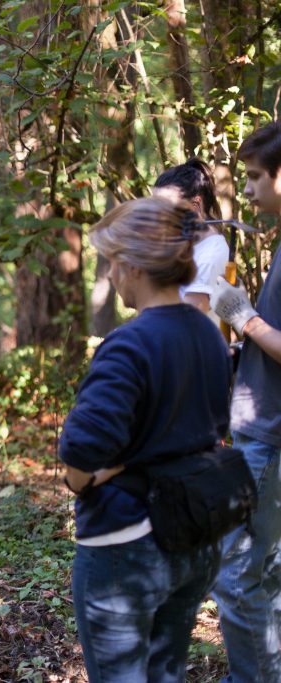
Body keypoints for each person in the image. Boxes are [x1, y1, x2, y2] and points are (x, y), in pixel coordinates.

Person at [59, 197, 231, 682]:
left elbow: (81, 451)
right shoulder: (207, 334)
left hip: (126, 544)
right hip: (193, 537)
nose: (111, 275)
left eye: (113, 263)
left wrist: (86, 478)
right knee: (165, 672)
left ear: (133, 266)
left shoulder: (129, 344)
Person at [209, 120, 281, 682]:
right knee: (268, 577)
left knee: (235, 577)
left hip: (271, 440)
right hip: (262, 430)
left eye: (256, 177)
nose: (249, 189)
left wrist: (242, 315)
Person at [152, 157, 228, 314]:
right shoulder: (186, 246)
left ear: (195, 205)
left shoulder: (210, 255)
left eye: (167, 207)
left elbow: (186, 322)